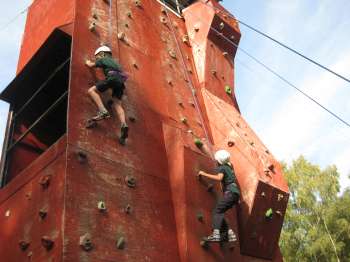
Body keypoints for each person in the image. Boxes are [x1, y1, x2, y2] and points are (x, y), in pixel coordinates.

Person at [85, 45, 129, 145]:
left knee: (91, 91)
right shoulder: (116, 63)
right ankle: (123, 124)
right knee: (118, 104)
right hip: (120, 82)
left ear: (102, 54)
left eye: (97, 57)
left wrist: (87, 62)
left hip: (112, 77)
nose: (97, 59)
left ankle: (103, 110)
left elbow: (91, 65)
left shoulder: (104, 59)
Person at [198, 150, 240, 242]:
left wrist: (204, 174)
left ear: (219, 160)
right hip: (235, 194)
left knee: (217, 211)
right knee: (221, 211)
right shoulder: (229, 168)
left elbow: (219, 178)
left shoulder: (222, 168)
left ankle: (215, 234)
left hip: (230, 192)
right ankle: (230, 234)